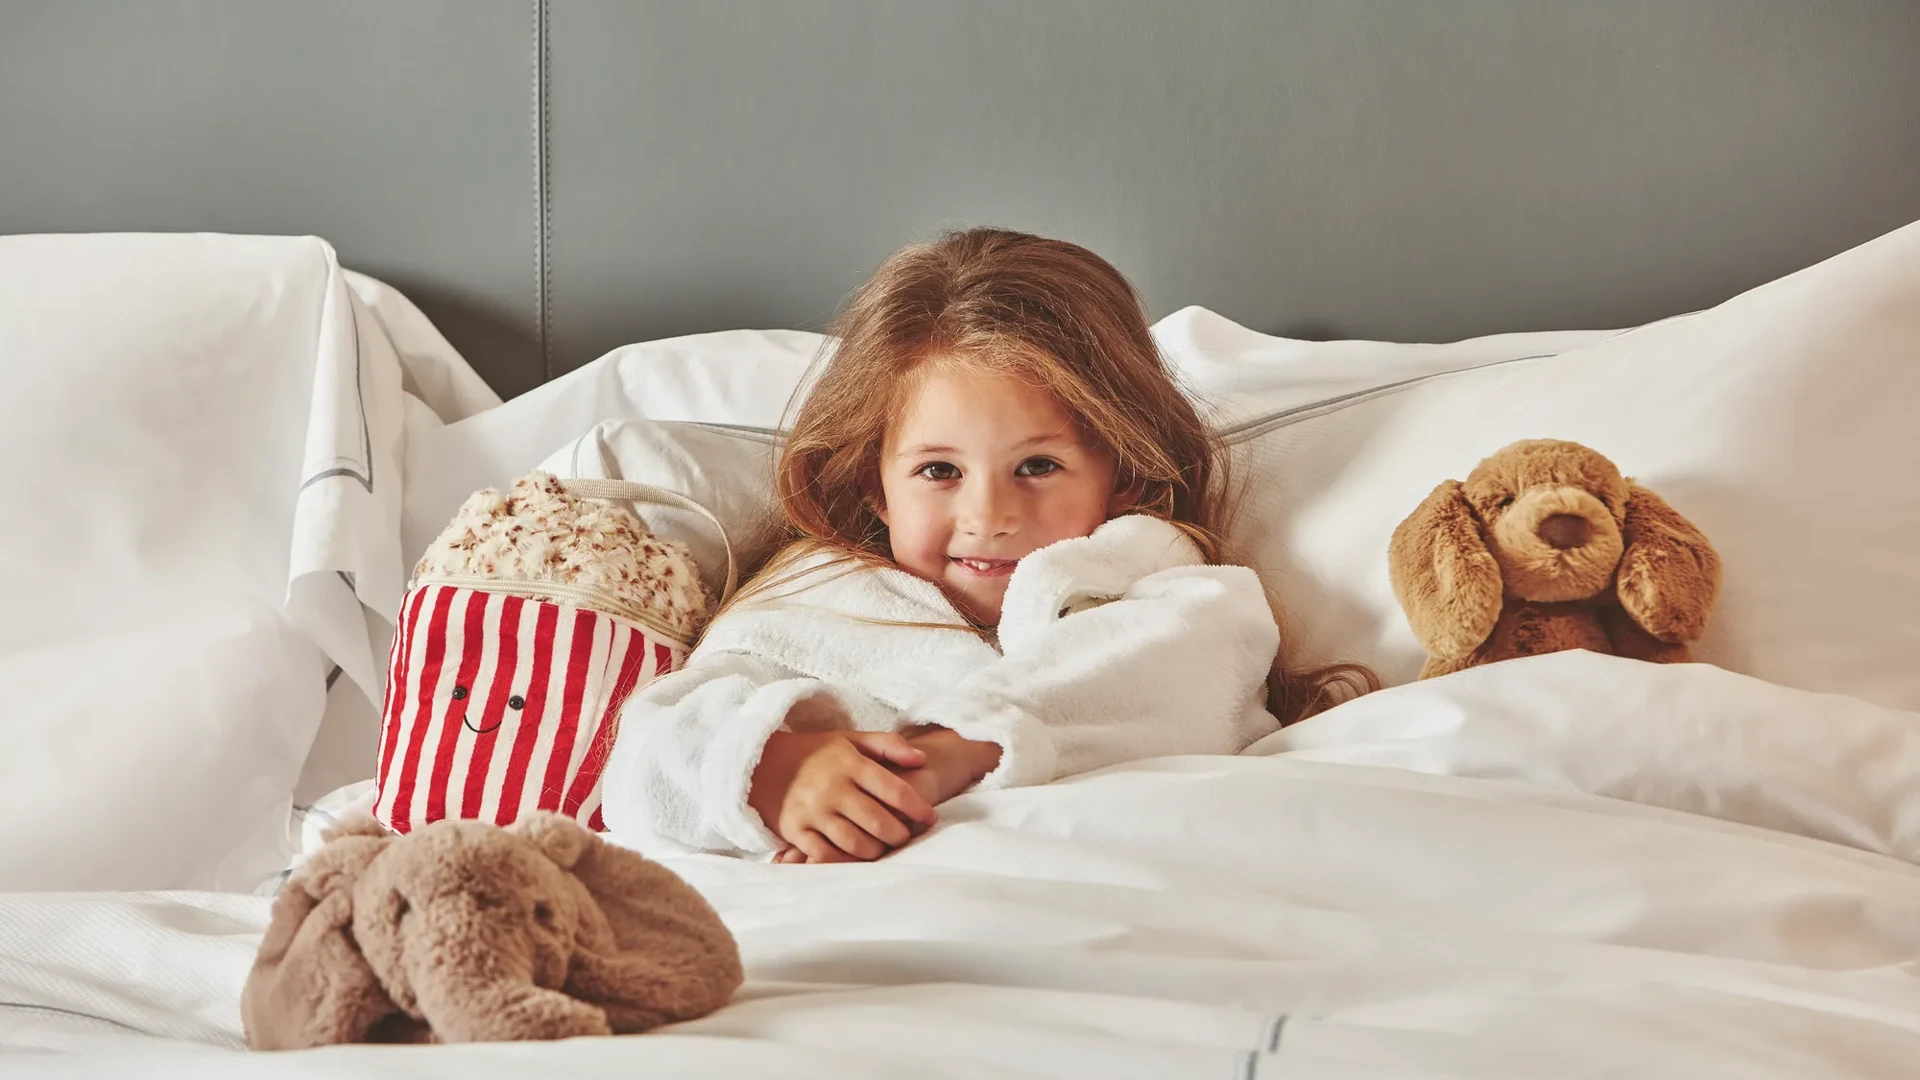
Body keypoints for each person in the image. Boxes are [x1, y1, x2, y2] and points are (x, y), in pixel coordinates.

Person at [600, 227, 1372, 863]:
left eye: (1038, 467)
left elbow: (1186, 684)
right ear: (876, 484)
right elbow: (647, 757)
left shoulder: (1157, 586)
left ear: (1124, 476)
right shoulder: (809, 603)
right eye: (939, 470)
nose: (990, 513)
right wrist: (772, 771)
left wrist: (952, 752)